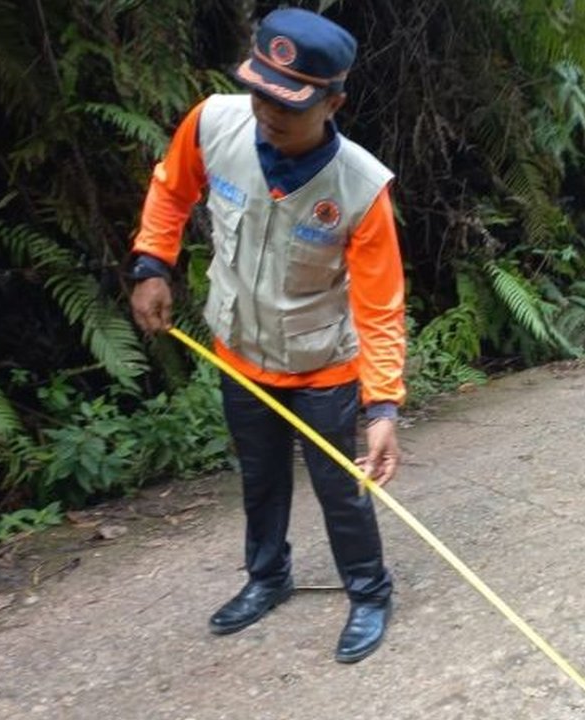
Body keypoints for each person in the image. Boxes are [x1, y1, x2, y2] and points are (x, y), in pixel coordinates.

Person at [128, 7, 404, 664]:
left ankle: (369, 592)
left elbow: (380, 306)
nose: (267, 112)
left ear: (334, 100)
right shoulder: (214, 123)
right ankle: (267, 578)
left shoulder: (361, 189)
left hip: (322, 366)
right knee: (260, 478)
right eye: (260, 91)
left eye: (289, 102)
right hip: (240, 354)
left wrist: (384, 405)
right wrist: (151, 264)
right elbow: (170, 192)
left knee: (341, 489)